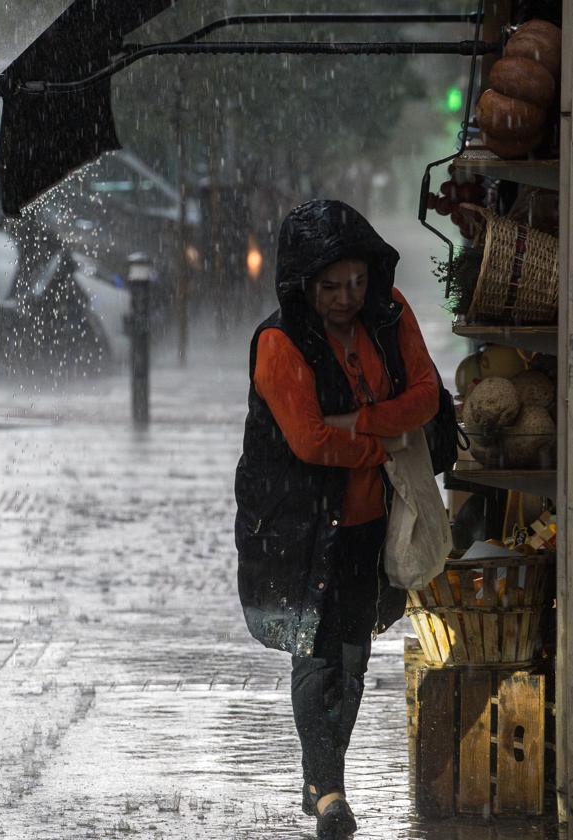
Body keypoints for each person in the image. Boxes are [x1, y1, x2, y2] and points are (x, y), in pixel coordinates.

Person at [234, 199, 440, 839]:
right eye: (330, 287)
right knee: (316, 653)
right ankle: (329, 794)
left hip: (368, 521)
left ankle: (322, 777)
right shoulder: (278, 342)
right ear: (301, 284)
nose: (346, 297)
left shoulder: (391, 313)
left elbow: (427, 395)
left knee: (352, 654)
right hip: (297, 525)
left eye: (355, 281)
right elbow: (309, 440)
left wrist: (362, 423)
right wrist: (381, 443)